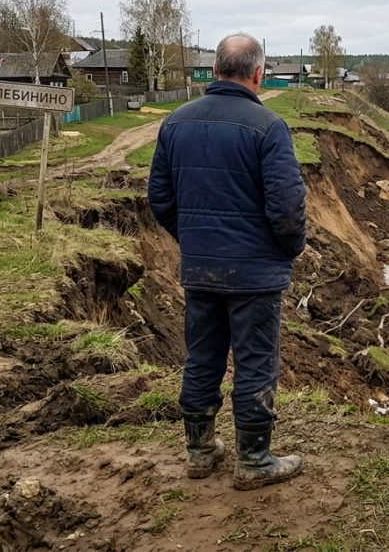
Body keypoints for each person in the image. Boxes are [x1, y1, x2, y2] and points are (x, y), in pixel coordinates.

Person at [148, 33, 308, 490]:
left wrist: (193, 238)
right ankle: (254, 460)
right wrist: (289, 249)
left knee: (202, 358)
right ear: (258, 74)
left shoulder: (175, 123)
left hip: (200, 268)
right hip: (255, 273)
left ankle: (200, 452)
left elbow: (159, 198)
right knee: (255, 362)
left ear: (216, 70)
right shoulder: (268, 126)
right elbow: (287, 208)